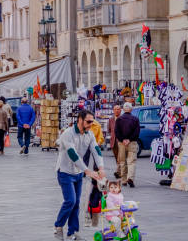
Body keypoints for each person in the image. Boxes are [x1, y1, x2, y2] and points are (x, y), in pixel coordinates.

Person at [54, 110, 105, 240]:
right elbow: (72, 154)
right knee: (70, 200)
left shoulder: (90, 134)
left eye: (92, 122)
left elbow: (96, 150)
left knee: (76, 203)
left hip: (78, 174)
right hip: (65, 171)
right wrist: (88, 170)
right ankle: (58, 227)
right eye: (88, 122)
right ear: (80, 120)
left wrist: (101, 168)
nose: (90, 124)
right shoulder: (68, 134)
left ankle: (73, 232)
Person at [115, 103, 140, 188]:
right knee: (131, 161)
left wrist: (123, 139)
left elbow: (116, 132)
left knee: (122, 162)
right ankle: (130, 178)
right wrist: (129, 139)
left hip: (121, 144)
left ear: (123, 109)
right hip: (132, 143)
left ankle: (124, 180)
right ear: (131, 109)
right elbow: (137, 132)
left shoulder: (119, 119)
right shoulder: (135, 119)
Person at [108, 104, 122, 179]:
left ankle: (118, 172)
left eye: (118, 109)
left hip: (120, 141)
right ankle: (121, 171)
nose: (116, 111)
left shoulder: (122, 118)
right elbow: (109, 129)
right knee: (117, 158)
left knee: (120, 157)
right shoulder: (111, 119)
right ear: (113, 110)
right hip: (113, 141)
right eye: (115, 109)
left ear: (120, 110)